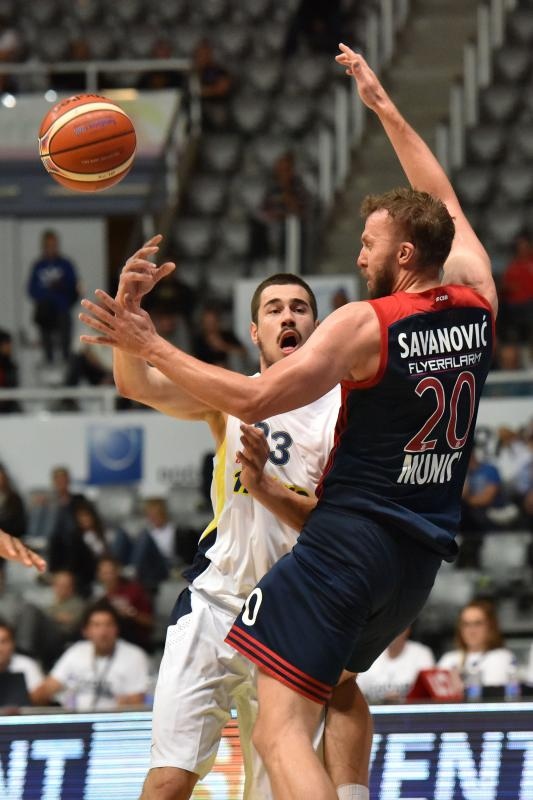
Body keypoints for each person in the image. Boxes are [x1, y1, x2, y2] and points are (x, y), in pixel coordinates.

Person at [79, 46, 498, 800]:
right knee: (326, 692)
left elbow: (252, 403)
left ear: (402, 254)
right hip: (398, 555)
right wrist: (384, 107)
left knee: (284, 727)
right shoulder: (475, 301)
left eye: (369, 243)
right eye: (272, 308)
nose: (358, 252)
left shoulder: (359, 337)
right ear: (254, 333)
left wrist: (149, 339)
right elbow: (447, 206)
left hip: (335, 552)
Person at [82, 244, 345, 798]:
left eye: (299, 307)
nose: (288, 316)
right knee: (168, 783)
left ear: (316, 327)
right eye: (274, 308)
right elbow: (137, 386)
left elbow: (341, 523)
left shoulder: (344, 409)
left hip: (291, 618)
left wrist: (273, 490)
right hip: (215, 603)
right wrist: (130, 319)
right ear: (254, 332)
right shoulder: (226, 394)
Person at [30, 600, 149, 710]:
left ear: (117, 629)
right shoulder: (76, 651)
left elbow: (137, 703)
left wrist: (126, 705)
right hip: (76, 724)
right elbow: (47, 688)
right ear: (86, 631)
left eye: (108, 625)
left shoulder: (134, 656)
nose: (103, 632)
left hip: (114, 726)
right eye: (96, 625)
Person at [438, 600, 515, 693]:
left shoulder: (501, 657)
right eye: (466, 624)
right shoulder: (448, 659)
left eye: (477, 623)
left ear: (491, 627)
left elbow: (492, 696)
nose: (471, 630)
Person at [27, 230, 79, 364]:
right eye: (48, 245)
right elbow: (32, 290)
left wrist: (63, 297)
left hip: (62, 309)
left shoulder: (66, 264)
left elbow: (74, 287)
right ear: (43, 246)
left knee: (65, 332)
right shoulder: (38, 266)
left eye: (54, 244)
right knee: (44, 322)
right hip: (45, 310)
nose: (51, 248)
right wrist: (48, 295)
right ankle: (48, 359)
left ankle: (67, 360)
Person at [356, 627, 435, 704]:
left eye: (398, 627)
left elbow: (429, 695)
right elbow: (356, 694)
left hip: (410, 713)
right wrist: (380, 701)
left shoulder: (421, 654)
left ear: (408, 630)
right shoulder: (369, 653)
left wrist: (402, 700)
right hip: (374, 713)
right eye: (390, 627)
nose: (393, 632)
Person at [94, 556, 153, 650]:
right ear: (99, 575)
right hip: (108, 640)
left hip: (134, 639)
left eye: (110, 572)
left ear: (118, 572)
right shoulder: (99, 596)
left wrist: (132, 613)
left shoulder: (134, 590)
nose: (108, 577)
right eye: (104, 573)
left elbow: (150, 622)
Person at [0, 619, 43, 701]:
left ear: (13, 644)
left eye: (4, 642)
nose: (0, 648)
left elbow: (40, 700)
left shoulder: (27, 665)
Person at [0, 328, 21, 413]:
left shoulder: (11, 365)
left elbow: (13, 388)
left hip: (9, 408)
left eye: (9, 343)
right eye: (6, 343)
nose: (9, 347)